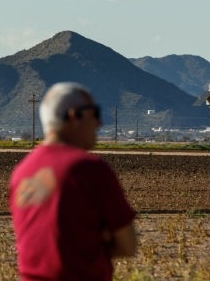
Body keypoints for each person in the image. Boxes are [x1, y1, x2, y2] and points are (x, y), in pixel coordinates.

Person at [10, 82, 137, 280]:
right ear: (73, 116)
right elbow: (128, 245)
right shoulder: (89, 169)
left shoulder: (21, 172)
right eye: (94, 113)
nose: (99, 123)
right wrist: (98, 238)